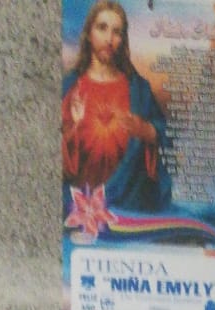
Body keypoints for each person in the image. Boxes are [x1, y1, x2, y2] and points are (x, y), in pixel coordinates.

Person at [62, 1, 171, 211]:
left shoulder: (139, 90)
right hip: (79, 209)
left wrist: (148, 131)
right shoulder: (68, 89)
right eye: (102, 28)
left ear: (123, 40)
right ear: (89, 33)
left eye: (117, 32)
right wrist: (73, 129)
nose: (109, 39)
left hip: (129, 208)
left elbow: (167, 135)